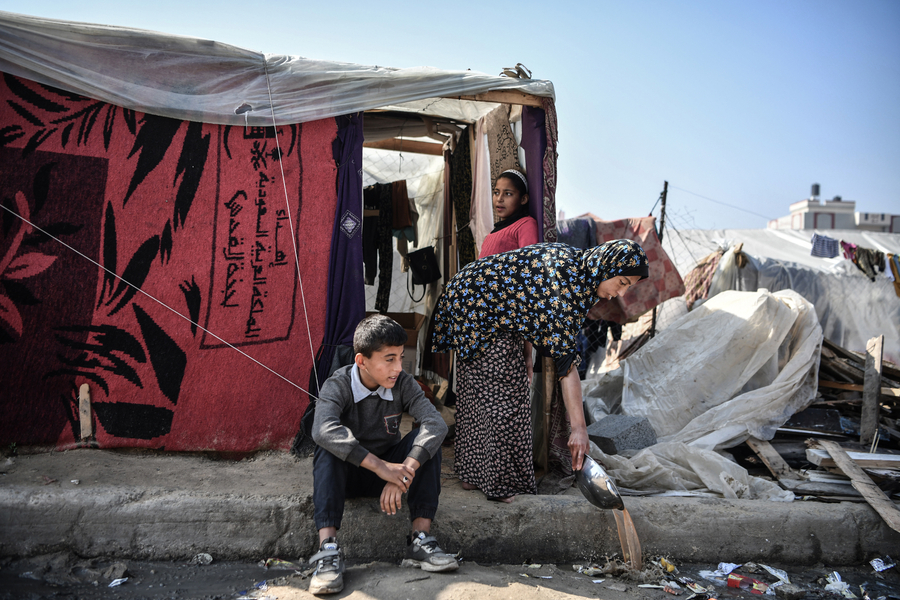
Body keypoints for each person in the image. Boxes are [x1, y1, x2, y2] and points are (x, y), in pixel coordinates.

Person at [431, 239, 649, 502]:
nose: (621, 293)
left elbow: (525, 299)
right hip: (475, 305)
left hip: (473, 298)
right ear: (604, 266)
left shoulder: (578, 271)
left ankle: (471, 475)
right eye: (622, 282)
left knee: (477, 395)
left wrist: (525, 354)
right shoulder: (566, 285)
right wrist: (579, 429)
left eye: (629, 287)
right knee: (505, 398)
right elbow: (566, 365)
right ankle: (500, 485)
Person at [309, 314, 458, 595]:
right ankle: (328, 550)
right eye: (389, 359)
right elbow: (322, 429)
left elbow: (435, 423)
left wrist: (401, 474)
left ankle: (421, 537)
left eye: (401, 357)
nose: (398, 367)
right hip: (350, 475)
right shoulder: (337, 384)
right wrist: (380, 467)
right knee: (327, 448)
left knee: (427, 440)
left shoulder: (402, 382)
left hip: (391, 470)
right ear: (361, 361)